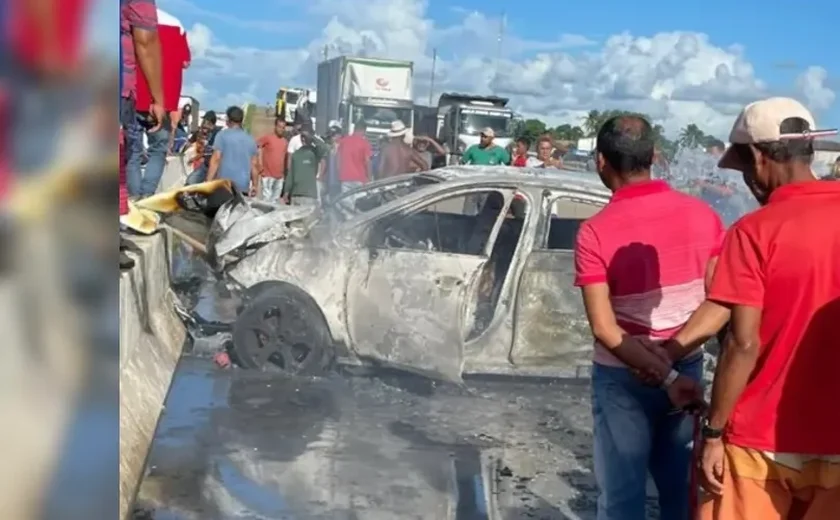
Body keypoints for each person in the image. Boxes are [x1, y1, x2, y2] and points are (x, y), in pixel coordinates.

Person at [652, 97, 840, 520]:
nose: (747, 185)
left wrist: (715, 431)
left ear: (759, 156)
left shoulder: (754, 230)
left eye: (744, 171)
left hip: (759, 440)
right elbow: (724, 302)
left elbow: (743, 340)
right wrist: (669, 353)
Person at [574, 115, 723, 519]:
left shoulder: (594, 231)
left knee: (622, 500)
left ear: (601, 162)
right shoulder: (703, 216)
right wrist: (672, 360)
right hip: (687, 369)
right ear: (654, 157)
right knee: (680, 494)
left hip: (622, 377)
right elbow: (719, 303)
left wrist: (659, 369)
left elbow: (605, 328)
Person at [131, 7, 190, 197]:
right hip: (164, 102)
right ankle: (146, 196)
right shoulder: (176, 24)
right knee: (158, 151)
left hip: (134, 96)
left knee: (132, 151)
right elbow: (185, 62)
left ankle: (132, 197)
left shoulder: (127, 18)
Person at [206, 106, 258, 195]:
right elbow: (254, 165)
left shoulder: (222, 135)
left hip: (224, 186)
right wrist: (255, 185)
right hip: (242, 187)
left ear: (228, 120)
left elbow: (216, 160)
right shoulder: (251, 139)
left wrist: (208, 181)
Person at [281, 127, 323, 206]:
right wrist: (286, 192)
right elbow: (290, 175)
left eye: (306, 137)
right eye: (303, 138)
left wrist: (312, 138)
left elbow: (325, 148)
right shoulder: (296, 155)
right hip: (296, 194)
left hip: (310, 195)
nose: (304, 140)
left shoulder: (314, 153)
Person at [255, 117, 288, 202]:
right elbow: (257, 146)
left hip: (279, 177)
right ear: (275, 127)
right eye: (279, 126)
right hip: (268, 175)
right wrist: (260, 164)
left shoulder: (285, 141)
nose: (281, 129)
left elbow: (285, 158)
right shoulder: (268, 138)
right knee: (267, 200)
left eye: (283, 127)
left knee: (275, 201)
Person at [336, 119, 372, 193]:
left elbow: (338, 160)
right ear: (363, 130)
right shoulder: (365, 143)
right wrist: (369, 178)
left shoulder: (343, 141)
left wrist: (339, 173)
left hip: (345, 178)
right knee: (358, 203)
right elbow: (368, 162)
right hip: (360, 179)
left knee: (346, 202)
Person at [185, 111, 219, 185]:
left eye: (207, 122)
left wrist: (195, 158)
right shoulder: (198, 132)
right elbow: (189, 142)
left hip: (214, 167)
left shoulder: (217, 135)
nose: (204, 123)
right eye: (204, 121)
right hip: (204, 165)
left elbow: (209, 152)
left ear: (212, 124)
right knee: (190, 181)